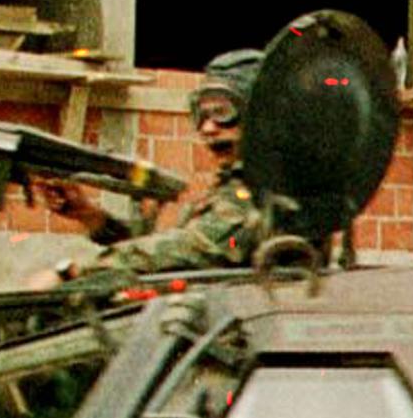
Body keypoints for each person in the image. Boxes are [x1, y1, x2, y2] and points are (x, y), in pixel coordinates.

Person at [51, 49, 274, 280]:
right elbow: (165, 257)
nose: (208, 128)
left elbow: (197, 249)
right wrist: (91, 216)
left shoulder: (267, 186)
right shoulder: (239, 185)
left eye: (222, 113)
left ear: (259, 115)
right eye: (201, 114)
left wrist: (76, 270)